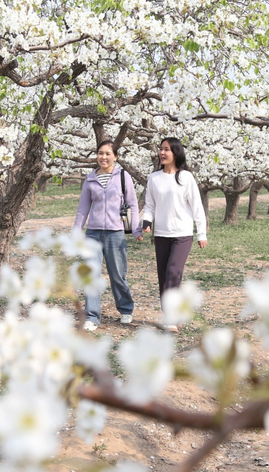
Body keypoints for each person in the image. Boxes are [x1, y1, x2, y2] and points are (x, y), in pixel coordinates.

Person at [74, 141, 143, 331]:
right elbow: (83, 209)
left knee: (118, 275)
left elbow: (132, 204)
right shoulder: (90, 179)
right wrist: (76, 232)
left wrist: (135, 229)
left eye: (107, 153)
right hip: (93, 234)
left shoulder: (123, 176)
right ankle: (92, 316)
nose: (103, 157)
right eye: (100, 153)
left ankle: (126, 309)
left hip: (115, 233)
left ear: (115, 156)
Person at [142, 137, 207, 332]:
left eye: (167, 149)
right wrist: (147, 221)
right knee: (163, 276)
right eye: (161, 149)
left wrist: (201, 233)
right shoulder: (154, 178)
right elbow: (150, 205)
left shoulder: (186, 177)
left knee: (173, 272)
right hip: (161, 234)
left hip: (182, 234)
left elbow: (197, 207)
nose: (162, 153)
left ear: (176, 153)